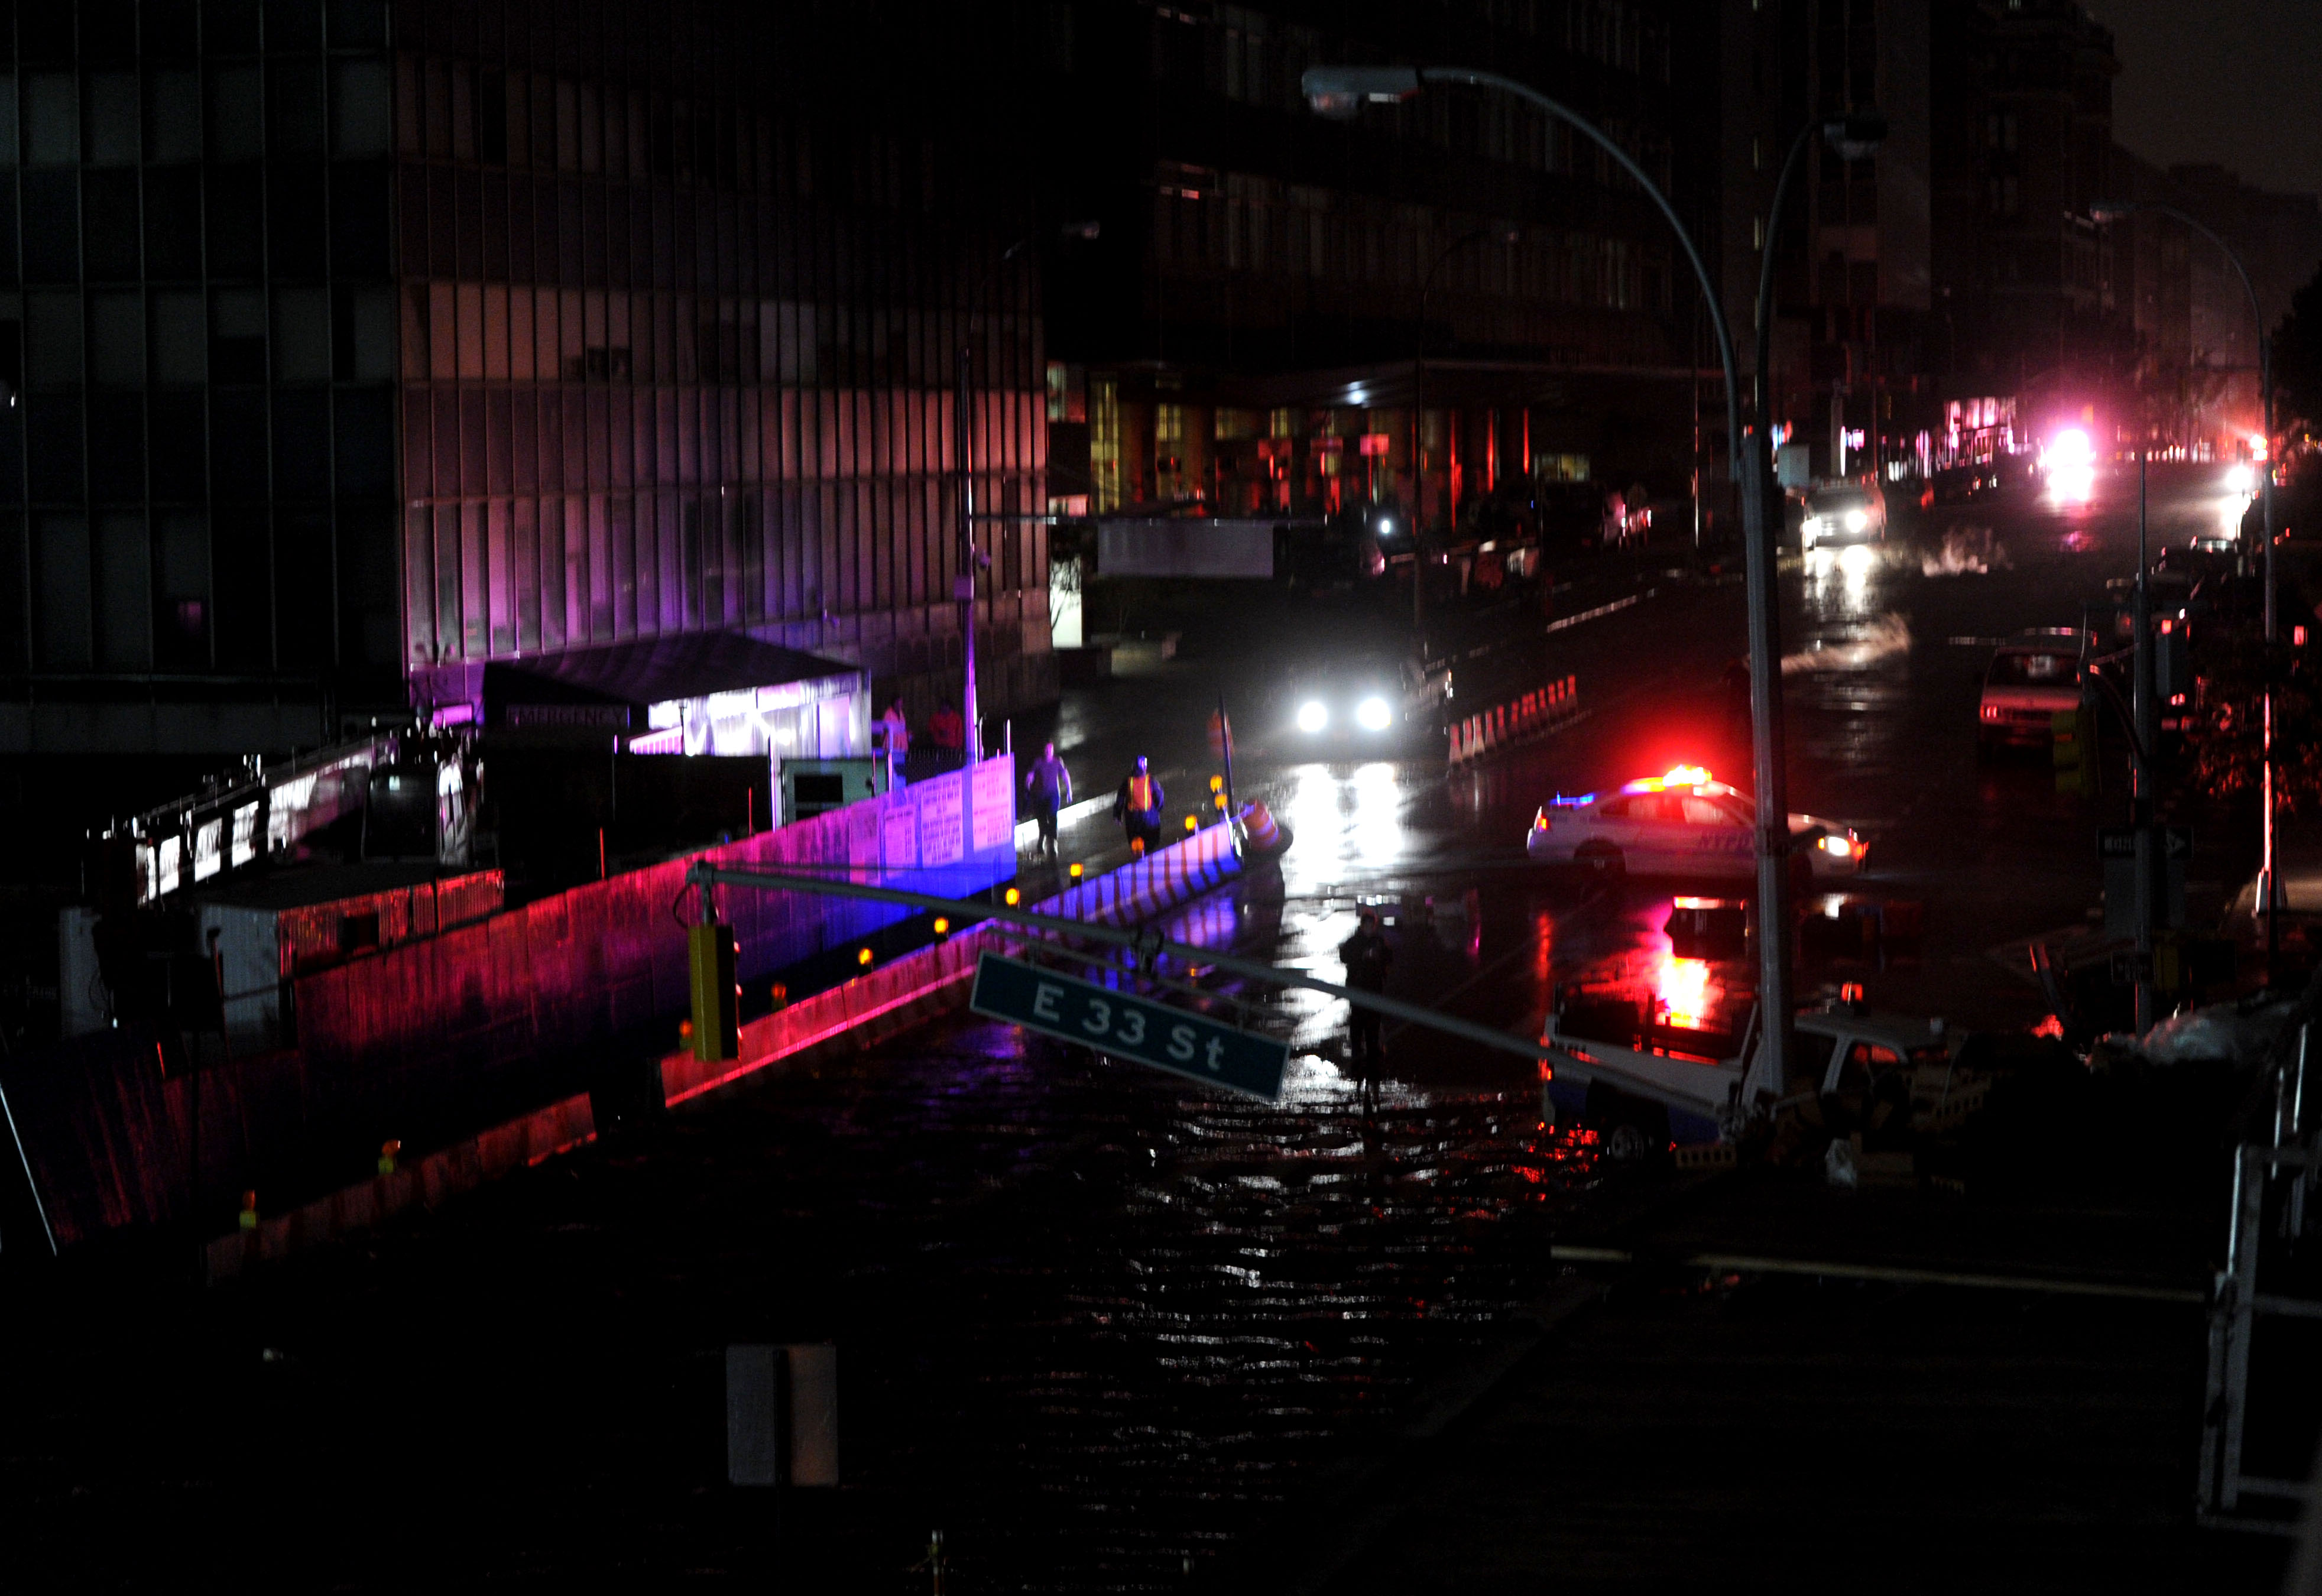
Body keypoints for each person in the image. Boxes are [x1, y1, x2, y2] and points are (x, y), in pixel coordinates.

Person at [1338, 909, 1393, 1080]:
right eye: (1367, 925)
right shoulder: (1355, 941)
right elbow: (1344, 956)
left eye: (1372, 925)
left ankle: (1372, 1053)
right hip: (1358, 988)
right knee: (1357, 1021)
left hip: (1374, 989)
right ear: (1362, 926)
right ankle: (1358, 1054)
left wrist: (1379, 955)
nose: (1369, 929)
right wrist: (1361, 956)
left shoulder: (1379, 941)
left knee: (1373, 1023)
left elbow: (1389, 957)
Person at [1025, 741, 1073, 858]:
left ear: (1053, 751)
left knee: (1052, 818)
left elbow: (1065, 775)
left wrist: (1069, 791)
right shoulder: (1038, 762)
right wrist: (1029, 781)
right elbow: (1031, 774)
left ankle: (1053, 843)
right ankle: (1043, 838)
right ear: (1044, 751)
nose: (1048, 752)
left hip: (1053, 795)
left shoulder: (1057, 762)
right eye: (1046, 750)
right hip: (1041, 796)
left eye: (1050, 750)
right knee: (1042, 821)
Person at [1113, 755, 1165, 854]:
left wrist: (1117, 815)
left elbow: (1120, 799)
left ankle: (1139, 856)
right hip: (1149, 818)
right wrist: (1159, 809)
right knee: (1151, 844)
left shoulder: (1128, 782)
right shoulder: (1151, 780)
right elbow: (1159, 796)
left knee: (1136, 845)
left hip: (1133, 820)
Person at [877, 698, 912, 788]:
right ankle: (891, 783)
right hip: (892, 742)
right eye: (899, 703)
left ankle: (900, 784)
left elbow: (903, 726)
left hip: (901, 743)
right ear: (894, 703)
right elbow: (885, 728)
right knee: (891, 764)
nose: (900, 705)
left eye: (901, 703)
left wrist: (908, 734)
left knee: (900, 764)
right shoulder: (888, 713)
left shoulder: (901, 713)